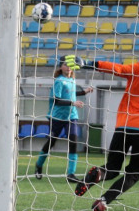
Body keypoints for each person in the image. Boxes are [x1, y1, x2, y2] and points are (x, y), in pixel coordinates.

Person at [65, 41, 139, 211]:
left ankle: (98, 174)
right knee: (133, 173)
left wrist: (88, 63)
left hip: (125, 126)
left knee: (112, 168)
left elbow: (116, 68)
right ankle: (103, 202)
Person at [35, 56, 94, 184]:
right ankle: (39, 165)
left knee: (73, 141)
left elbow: (71, 93)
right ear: (61, 67)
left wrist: (84, 92)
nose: (68, 67)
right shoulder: (59, 81)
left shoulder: (72, 80)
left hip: (71, 117)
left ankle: (71, 174)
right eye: (65, 65)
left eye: (70, 65)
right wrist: (73, 103)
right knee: (52, 142)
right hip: (57, 117)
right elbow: (57, 100)